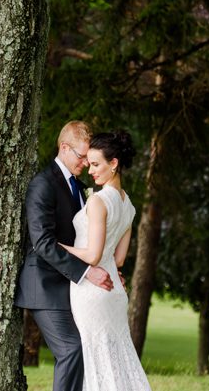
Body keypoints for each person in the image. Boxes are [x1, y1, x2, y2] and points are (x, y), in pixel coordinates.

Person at [14, 121, 114, 391]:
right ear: (64, 148)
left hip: (71, 287)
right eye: (81, 156)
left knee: (88, 349)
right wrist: (86, 272)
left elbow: (85, 240)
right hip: (44, 286)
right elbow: (43, 243)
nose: (86, 163)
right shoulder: (43, 184)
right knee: (72, 349)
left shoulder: (80, 188)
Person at [60, 130, 151, 391]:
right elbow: (119, 259)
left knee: (95, 360)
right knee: (117, 360)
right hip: (113, 291)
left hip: (91, 291)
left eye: (97, 164)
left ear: (114, 164)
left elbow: (93, 255)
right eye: (89, 164)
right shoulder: (128, 204)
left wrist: (58, 245)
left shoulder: (99, 201)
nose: (91, 171)